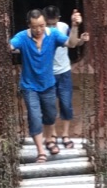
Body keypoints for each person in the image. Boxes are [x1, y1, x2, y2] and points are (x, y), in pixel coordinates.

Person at [9, 9, 80, 163]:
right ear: (29, 26)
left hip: (48, 84)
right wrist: (3, 29)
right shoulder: (22, 37)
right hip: (29, 86)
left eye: (41, 25)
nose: (39, 30)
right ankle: (41, 151)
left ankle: (49, 140)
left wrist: (74, 26)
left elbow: (72, 44)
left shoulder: (52, 34)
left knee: (49, 115)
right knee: (34, 117)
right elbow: (9, 47)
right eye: (35, 27)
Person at [44, 6, 89, 149]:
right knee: (48, 106)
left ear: (58, 19)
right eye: (48, 23)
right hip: (47, 73)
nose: (51, 26)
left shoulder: (63, 27)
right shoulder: (39, 30)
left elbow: (72, 43)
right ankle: (52, 135)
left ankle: (65, 134)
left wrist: (81, 40)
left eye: (53, 23)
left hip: (63, 71)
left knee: (66, 104)